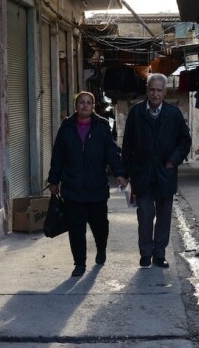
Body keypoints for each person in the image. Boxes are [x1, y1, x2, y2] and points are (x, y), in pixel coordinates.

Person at [47, 91, 127, 277]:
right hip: (72, 188)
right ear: (76, 106)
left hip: (96, 187)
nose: (84, 105)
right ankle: (79, 263)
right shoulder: (66, 127)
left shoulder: (101, 127)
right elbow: (58, 157)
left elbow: (111, 154)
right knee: (76, 228)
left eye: (88, 103)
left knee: (100, 226)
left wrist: (120, 174)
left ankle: (101, 249)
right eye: (81, 102)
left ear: (93, 106)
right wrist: (53, 180)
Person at [122, 73, 192, 268]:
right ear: (147, 90)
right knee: (145, 213)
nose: (155, 94)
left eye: (159, 90)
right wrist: (125, 173)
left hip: (165, 172)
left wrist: (173, 161)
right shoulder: (136, 113)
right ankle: (145, 253)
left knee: (164, 214)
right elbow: (127, 144)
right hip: (142, 173)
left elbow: (185, 141)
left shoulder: (173, 114)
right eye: (152, 89)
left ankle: (159, 254)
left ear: (165, 92)